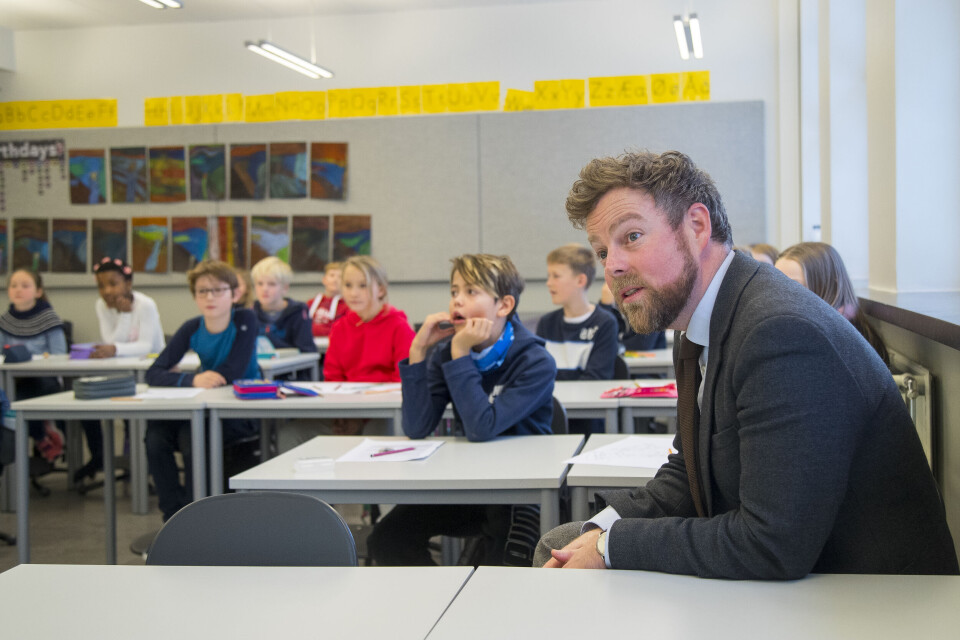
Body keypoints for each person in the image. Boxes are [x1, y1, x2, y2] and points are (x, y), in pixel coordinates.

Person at [537, 150, 957, 577]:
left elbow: (773, 544)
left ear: (697, 227)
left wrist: (612, 546)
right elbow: (689, 473)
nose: (613, 266)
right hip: (803, 583)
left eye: (631, 237)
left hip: (869, 601)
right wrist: (599, 529)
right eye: (602, 251)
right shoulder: (698, 319)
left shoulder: (780, 331)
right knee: (560, 544)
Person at [367, 254, 556, 566]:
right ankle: (436, 608)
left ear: (504, 305)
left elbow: (482, 427)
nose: (458, 301)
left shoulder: (534, 361)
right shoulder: (447, 353)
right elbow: (417, 426)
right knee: (387, 538)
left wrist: (459, 353)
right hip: (469, 483)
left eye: (471, 292)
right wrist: (417, 352)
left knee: (503, 566)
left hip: (521, 492)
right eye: (455, 291)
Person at [144, 260, 260, 522]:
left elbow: (234, 370)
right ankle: (172, 516)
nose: (210, 297)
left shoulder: (245, 319)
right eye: (202, 291)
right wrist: (192, 381)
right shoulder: (192, 327)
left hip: (238, 411)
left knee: (190, 437)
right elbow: (154, 372)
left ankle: (196, 516)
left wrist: (203, 379)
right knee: (155, 438)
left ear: (234, 294)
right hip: (202, 404)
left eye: (218, 290)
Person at [76, 257, 166, 483]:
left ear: (128, 282)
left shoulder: (146, 305)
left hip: (151, 371)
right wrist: (122, 317)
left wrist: (118, 340)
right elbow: (111, 341)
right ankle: (99, 457)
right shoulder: (102, 306)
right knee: (87, 402)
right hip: (122, 371)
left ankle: (142, 467)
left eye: (113, 283)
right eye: (101, 285)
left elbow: (144, 346)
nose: (107, 290)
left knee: (133, 415)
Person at [315, 256, 414, 437]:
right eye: (348, 285)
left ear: (381, 289)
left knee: (375, 432)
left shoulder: (399, 326)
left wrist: (360, 418)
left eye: (363, 286)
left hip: (384, 409)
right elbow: (333, 377)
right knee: (291, 433)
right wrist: (344, 415)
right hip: (346, 407)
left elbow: (402, 381)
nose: (354, 293)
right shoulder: (339, 328)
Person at [536, 244, 617, 433]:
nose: (549, 283)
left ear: (580, 280)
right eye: (549, 276)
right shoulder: (547, 323)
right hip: (549, 418)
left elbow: (596, 380)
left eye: (556, 276)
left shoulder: (605, 323)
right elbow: (538, 374)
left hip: (587, 422)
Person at [775, 242, 889, 365]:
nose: (781, 294)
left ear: (832, 288)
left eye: (793, 285)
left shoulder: (840, 340)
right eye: (776, 284)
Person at [0, 269, 67, 462]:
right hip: (13, 379)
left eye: (25, 286)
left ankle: (41, 437)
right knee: (6, 399)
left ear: (38, 291)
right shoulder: (5, 321)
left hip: (44, 379)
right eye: (13, 286)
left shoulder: (49, 319)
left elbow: (60, 355)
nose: (18, 290)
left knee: (17, 402)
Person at [250, 256, 317, 356]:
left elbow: (307, 351)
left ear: (285, 288)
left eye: (271, 284)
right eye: (260, 284)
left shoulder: (298, 312)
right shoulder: (250, 313)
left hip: (290, 369)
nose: (264, 289)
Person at [599, 282, 666, 351]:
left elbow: (641, 345)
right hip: (618, 360)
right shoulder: (608, 306)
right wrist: (605, 306)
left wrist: (612, 347)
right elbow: (598, 341)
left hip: (649, 361)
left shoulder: (650, 304)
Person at [307, 261, 347, 337]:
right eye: (332, 275)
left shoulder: (347, 306)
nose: (335, 280)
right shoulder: (311, 303)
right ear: (324, 280)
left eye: (340, 277)